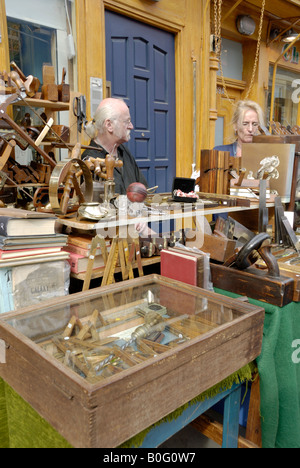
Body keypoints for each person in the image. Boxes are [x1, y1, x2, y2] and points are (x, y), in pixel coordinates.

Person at [82, 97, 148, 195]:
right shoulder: (89, 160)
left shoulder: (124, 152)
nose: (131, 126)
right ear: (109, 125)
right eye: (127, 121)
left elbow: (143, 189)